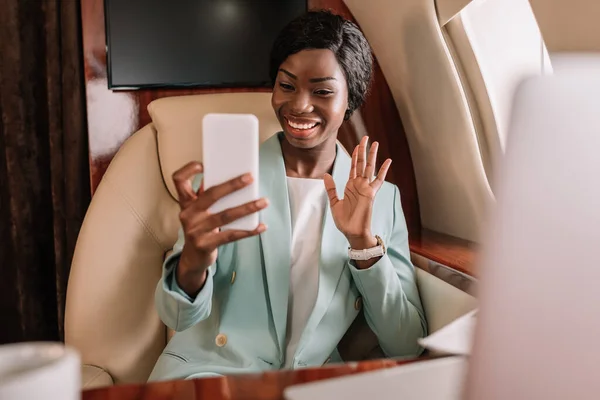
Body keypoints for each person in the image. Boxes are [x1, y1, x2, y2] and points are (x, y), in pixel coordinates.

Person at [148, 10, 427, 382]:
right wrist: (194, 263)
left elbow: (406, 343)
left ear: (351, 100)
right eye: (287, 85)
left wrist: (362, 244)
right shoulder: (226, 180)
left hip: (310, 385)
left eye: (322, 91)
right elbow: (178, 317)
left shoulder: (381, 200)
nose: (298, 105)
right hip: (212, 375)